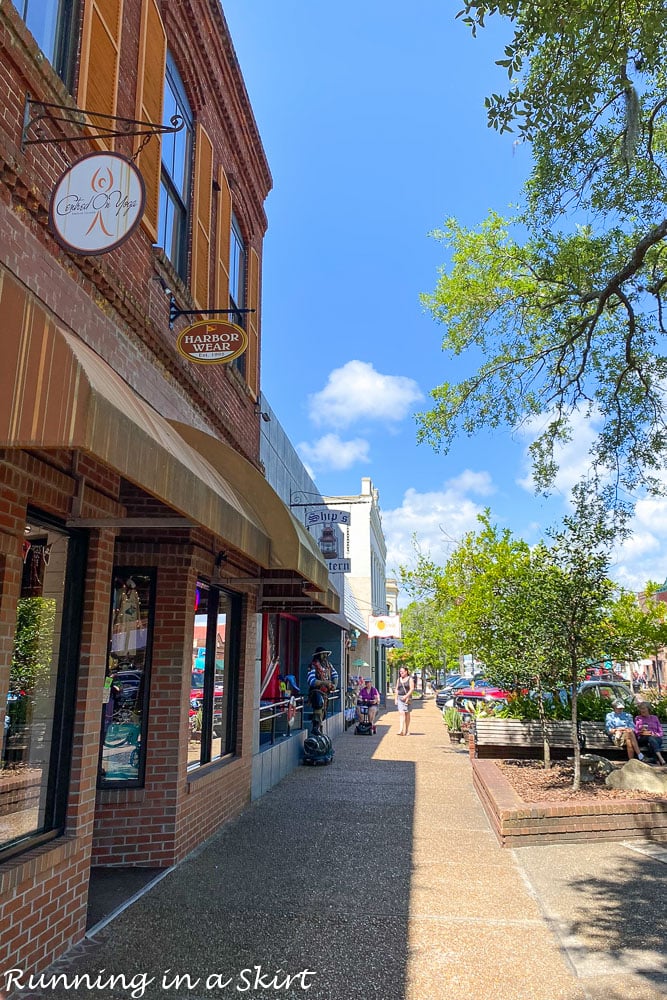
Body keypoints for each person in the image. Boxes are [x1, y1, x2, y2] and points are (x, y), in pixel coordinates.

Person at [307, 646, 338, 736]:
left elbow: (335, 675)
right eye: (323, 654)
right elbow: (311, 681)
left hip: (325, 693)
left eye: (326, 654)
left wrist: (334, 685)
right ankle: (315, 728)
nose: (325, 656)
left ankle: (319, 729)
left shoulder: (329, 665)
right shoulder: (312, 665)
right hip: (316, 691)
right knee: (318, 704)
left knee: (323, 713)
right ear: (318, 655)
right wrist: (324, 683)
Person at [634, 701, 665, 765]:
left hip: (655, 738)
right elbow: (636, 732)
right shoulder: (638, 718)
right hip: (643, 738)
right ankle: (661, 758)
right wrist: (641, 731)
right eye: (641, 709)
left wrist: (656, 734)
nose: (642, 710)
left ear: (648, 709)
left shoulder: (654, 718)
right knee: (650, 738)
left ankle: (654, 759)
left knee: (652, 740)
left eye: (643, 708)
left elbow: (661, 732)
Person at [395, 666, 415, 736]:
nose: (401, 673)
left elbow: (412, 689)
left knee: (407, 713)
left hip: (407, 698)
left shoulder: (410, 679)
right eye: (400, 672)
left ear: (406, 672)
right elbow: (397, 689)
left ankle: (406, 729)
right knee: (401, 713)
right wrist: (395, 698)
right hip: (400, 698)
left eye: (402, 672)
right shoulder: (399, 679)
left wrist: (406, 696)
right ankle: (401, 729)